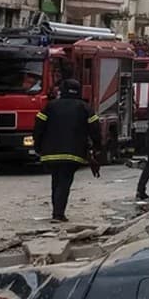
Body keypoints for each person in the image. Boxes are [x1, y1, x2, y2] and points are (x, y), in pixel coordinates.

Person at [33, 79, 103, 223]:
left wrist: (38, 146)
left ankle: (56, 211)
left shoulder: (50, 106)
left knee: (56, 180)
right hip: (73, 153)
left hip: (50, 152)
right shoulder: (84, 108)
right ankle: (58, 214)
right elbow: (95, 130)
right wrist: (97, 148)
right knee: (65, 181)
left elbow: (38, 127)